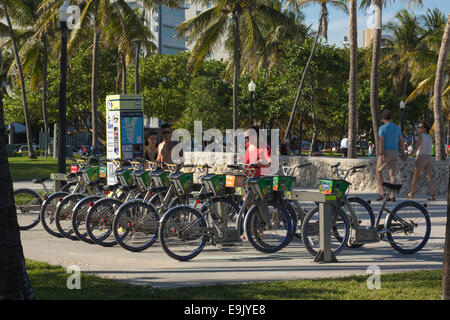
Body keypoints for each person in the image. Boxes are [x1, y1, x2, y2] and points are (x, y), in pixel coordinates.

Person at [375, 109, 407, 201]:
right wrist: (404, 153)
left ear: (382, 118)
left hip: (386, 152)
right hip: (395, 152)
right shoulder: (397, 128)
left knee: (378, 171)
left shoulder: (382, 128)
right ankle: (392, 196)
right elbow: (401, 141)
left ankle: (382, 192)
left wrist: (380, 154)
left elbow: (381, 142)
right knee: (392, 174)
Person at [407, 122, 436, 201]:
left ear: (424, 129)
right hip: (429, 158)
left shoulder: (421, 136)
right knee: (430, 177)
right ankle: (432, 195)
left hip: (421, 157)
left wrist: (408, 155)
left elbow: (416, 149)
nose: (418, 128)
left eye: (420, 127)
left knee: (415, 176)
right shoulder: (430, 137)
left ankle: (412, 193)